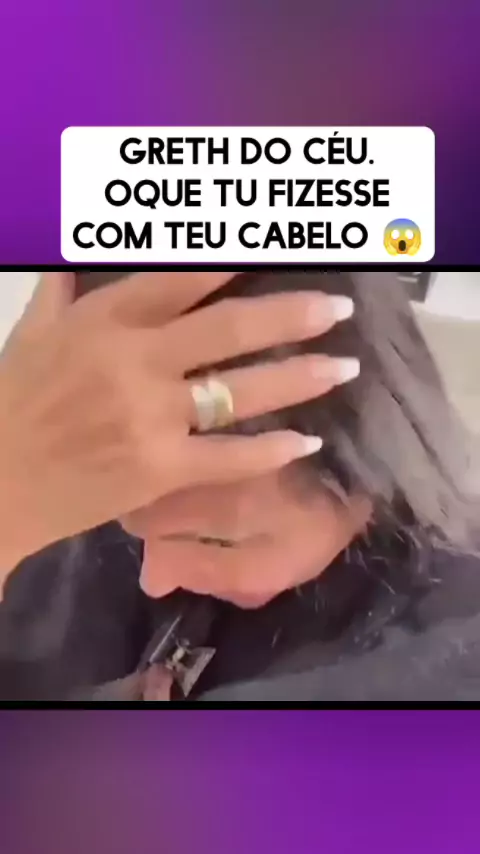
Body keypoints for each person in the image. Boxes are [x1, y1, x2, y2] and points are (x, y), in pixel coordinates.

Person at [0, 270, 479, 701]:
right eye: (124, 524)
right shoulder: (60, 502)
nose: (153, 578)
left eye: (217, 539)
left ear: (368, 484)